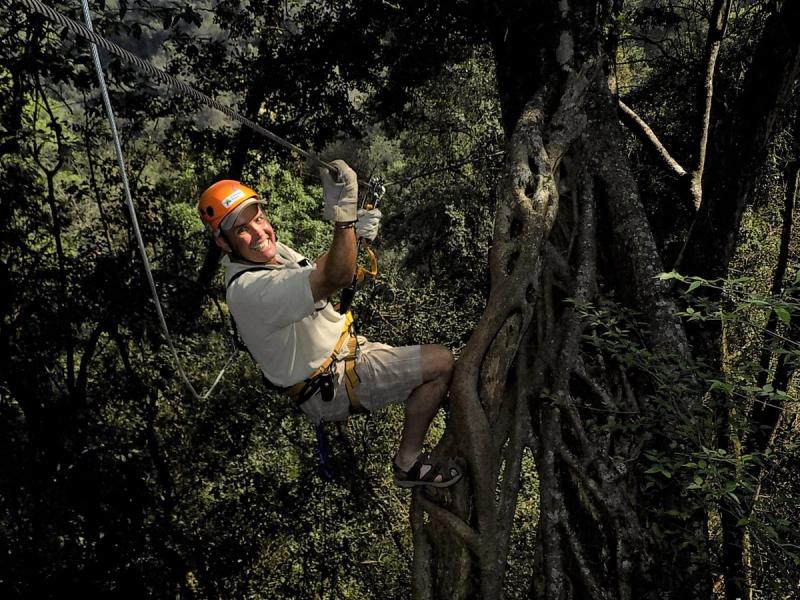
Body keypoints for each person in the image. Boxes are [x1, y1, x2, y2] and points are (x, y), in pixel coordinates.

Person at [197, 160, 462, 488]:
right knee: (441, 362)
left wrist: (353, 233)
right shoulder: (249, 290)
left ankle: (428, 408)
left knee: (433, 369)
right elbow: (334, 277)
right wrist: (344, 219)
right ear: (224, 243)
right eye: (242, 230)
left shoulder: (268, 253)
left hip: (347, 354)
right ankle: (407, 463)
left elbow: (319, 270)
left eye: (259, 219)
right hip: (333, 380)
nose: (258, 233)